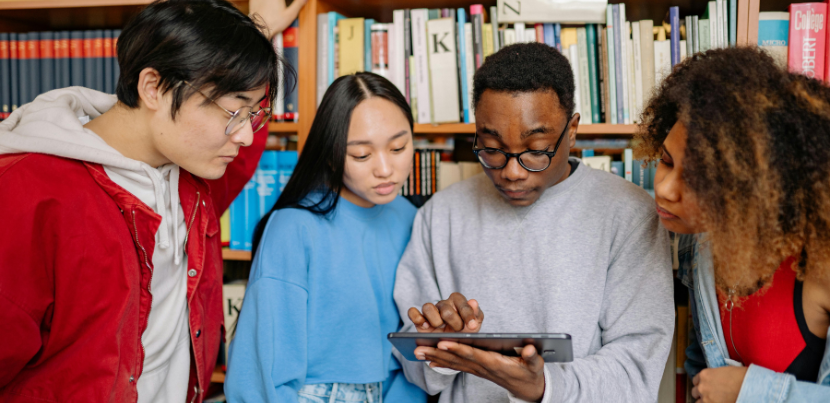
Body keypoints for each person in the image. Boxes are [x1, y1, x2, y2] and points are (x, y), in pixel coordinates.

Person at [0, 0, 301, 401]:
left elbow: (240, 147)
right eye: (233, 114)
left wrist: (259, 33)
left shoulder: (195, 177)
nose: (244, 136)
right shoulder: (26, 192)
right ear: (153, 88)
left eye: (253, 115)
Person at [393, 42, 673, 403]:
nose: (511, 172)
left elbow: (637, 371)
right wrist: (441, 350)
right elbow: (413, 367)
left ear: (571, 131)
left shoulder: (629, 214)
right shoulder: (441, 213)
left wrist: (543, 388)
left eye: (536, 151)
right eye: (492, 148)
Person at [636, 47, 830, 403]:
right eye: (665, 161)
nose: (663, 189)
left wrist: (749, 391)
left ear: (753, 185)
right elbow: (701, 367)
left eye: (696, 178)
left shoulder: (822, 262)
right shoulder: (699, 242)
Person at [225, 72, 427, 403]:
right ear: (332, 153)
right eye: (362, 155)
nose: (385, 169)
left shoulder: (412, 219)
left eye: (399, 147)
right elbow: (261, 369)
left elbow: (414, 347)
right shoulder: (294, 226)